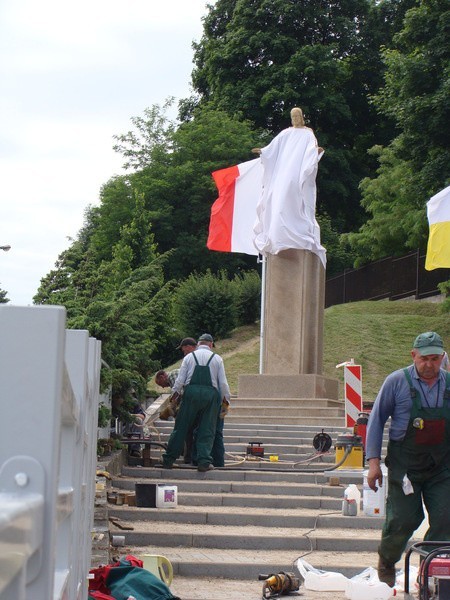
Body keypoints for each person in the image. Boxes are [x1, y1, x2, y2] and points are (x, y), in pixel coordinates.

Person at [365, 331, 450, 587]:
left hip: (441, 468)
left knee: (446, 517)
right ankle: (387, 559)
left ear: (443, 358)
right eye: (424, 358)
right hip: (406, 469)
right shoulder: (396, 382)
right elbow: (376, 420)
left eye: (435, 359)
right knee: (404, 519)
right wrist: (373, 463)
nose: (429, 364)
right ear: (413, 355)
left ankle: (430, 571)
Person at [251, 106, 326, 266]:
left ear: (301, 117)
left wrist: (315, 152)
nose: (295, 119)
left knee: (295, 197)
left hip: (297, 174)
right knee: (277, 202)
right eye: (293, 116)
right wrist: (263, 152)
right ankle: (280, 235)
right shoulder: (285, 134)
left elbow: (310, 151)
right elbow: (273, 149)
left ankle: (299, 232)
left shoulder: (307, 133)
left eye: (297, 116)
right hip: (283, 174)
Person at [160, 333, 231, 472]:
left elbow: (180, 380)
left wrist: (173, 398)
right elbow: (223, 383)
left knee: (181, 427)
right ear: (211, 345)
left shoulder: (189, 357)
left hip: (191, 394)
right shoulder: (217, 359)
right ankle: (203, 462)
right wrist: (226, 402)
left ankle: (168, 459)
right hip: (210, 396)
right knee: (207, 429)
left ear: (198, 344)